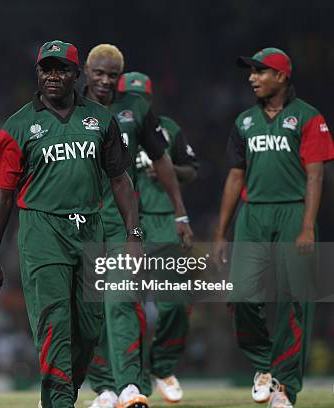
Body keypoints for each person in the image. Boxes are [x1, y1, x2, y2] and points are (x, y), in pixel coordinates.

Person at [0, 40, 144, 408]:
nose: (52, 76)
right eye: (46, 69)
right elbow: (2, 196)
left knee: (88, 330)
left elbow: (120, 180)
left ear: (76, 75)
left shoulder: (100, 120)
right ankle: (58, 402)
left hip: (90, 230)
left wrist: (134, 235)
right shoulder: (18, 125)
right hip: (42, 232)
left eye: (61, 69)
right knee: (55, 325)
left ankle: (61, 396)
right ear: (37, 74)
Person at [214, 47, 334, 408]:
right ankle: (265, 365)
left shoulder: (309, 118)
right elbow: (235, 178)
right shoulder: (244, 122)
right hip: (252, 215)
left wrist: (308, 227)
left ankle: (284, 389)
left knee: (294, 303)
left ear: (281, 77)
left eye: (260, 71)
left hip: (292, 213)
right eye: (251, 72)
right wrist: (221, 233)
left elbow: (315, 176)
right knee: (241, 296)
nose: (252, 77)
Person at [81, 45, 192, 408]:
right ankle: (103, 388)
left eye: (112, 75)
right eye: (99, 73)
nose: (104, 80)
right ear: (86, 70)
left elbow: (162, 160)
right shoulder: (67, 105)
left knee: (123, 301)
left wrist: (179, 212)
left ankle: (131, 383)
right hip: (79, 221)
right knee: (89, 309)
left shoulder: (136, 108)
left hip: (122, 221)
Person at [122, 71, 198, 403]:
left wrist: (168, 171)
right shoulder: (109, 124)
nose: (137, 103)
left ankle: (162, 366)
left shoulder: (167, 128)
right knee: (127, 305)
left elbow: (191, 170)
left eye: (143, 98)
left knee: (176, 304)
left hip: (165, 221)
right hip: (125, 223)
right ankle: (134, 378)